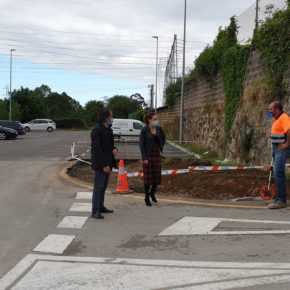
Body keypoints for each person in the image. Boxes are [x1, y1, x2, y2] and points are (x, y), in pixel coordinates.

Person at [90, 109, 118, 219]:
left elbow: (111, 144)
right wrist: (104, 165)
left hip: (108, 162)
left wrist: (114, 148)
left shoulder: (108, 129)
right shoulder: (96, 130)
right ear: (105, 117)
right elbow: (97, 149)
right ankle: (95, 211)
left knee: (103, 186)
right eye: (111, 116)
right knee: (98, 187)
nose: (112, 118)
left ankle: (101, 207)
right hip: (100, 163)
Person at [267, 101, 290, 209]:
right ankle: (278, 198)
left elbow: (289, 130)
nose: (269, 111)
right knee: (277, 173)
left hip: (282, 149)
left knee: (279, 173)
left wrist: (287, 143)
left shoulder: (284, 117)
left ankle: (281, 200)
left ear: (277, 109)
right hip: (277, 148)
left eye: (270, 109)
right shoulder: (276, 119)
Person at [139, 112, 166, 206]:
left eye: (157, 119)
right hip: (148, 156)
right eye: (154, 119)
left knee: (156, 178)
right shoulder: (144, 130)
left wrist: (160, 144)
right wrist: (144, 158)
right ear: (149, 120)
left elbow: (163, 139)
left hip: (157, 155)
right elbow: (141, 145)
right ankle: (146, 197)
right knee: (148, 179)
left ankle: (152, 193)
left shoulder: (159, 129)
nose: (156, 121)